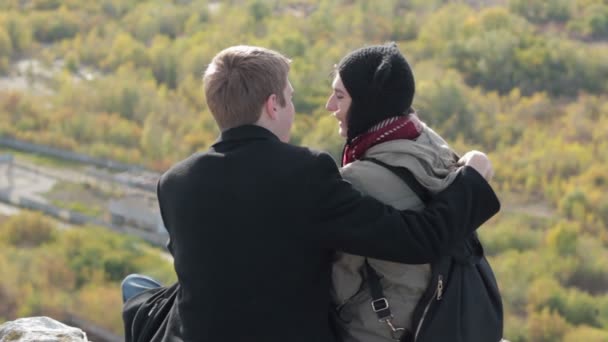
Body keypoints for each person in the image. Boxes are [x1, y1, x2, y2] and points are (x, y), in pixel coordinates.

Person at [121, 45, 500, 342]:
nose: (302, 107)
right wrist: (472, 178)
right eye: (291, 96)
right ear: (273, 105)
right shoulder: (308, 173)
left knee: (138, 290)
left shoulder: (174, 182)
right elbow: (419, 240)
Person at [327, 43, 495, 341]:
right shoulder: (434, 148)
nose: (330, 105)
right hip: (449, 318)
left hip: (385, 331)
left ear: (368, 104)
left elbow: (342, 282)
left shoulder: (356, 181)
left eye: (340, 96)